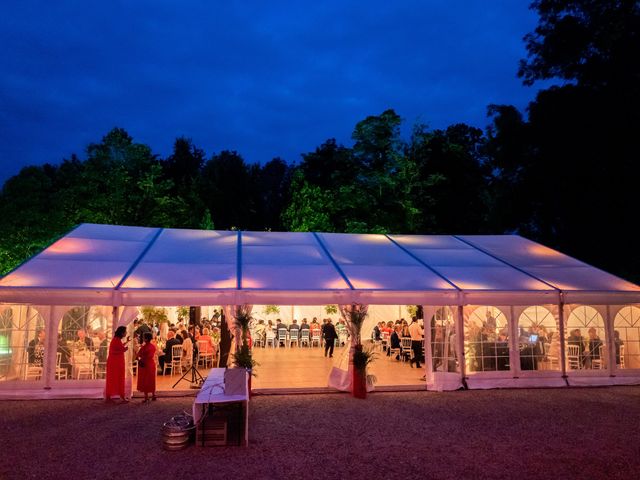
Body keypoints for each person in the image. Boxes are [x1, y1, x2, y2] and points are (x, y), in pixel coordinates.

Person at [105, 326, 130, 402]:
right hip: (116, 363)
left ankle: (109, 396)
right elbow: (117, 350)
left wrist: (126, 342)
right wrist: (124, 350)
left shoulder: (116, 340)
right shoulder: (116, 340)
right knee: (118, 378)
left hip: (115, 362)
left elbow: (118, 348)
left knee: (112, 378)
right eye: (125, 332)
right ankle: (121, 396)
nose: (126, 333)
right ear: (122, 333)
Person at [136, 332, 157, 403]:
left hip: (145, 364)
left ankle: (146, 397)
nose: (143, 338)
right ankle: (153, 395)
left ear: (146, 339)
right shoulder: (153, 346)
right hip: (151, 363)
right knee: (151, 380)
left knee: (145, 380)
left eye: (144, 337)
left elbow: (138, 354)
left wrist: (140, 358)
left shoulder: (144, 347)